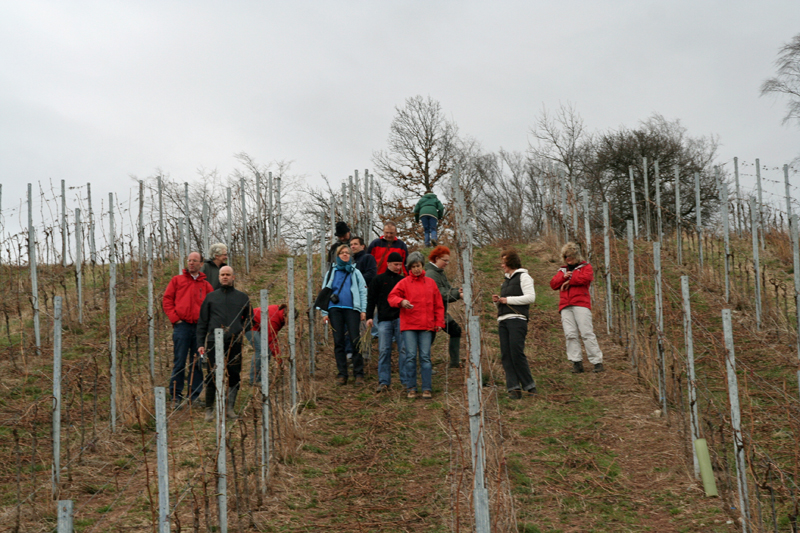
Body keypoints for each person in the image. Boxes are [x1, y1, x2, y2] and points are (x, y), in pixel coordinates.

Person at [197, 266, 253, 421]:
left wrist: (241, 329)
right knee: (211, 374)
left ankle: (230, 409)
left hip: (234, 341)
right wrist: (201, 343)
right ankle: (209, 410)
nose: (225, 277)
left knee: (234, 374)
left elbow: (250, 318)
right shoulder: (211, 297)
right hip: (213, 341)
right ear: (219, 277)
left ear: (233, 277)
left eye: (228, 274)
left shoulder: (242, 297)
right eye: (222, 275)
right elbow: (202, 321)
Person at [388, 251, 444, 400]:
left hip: (426, 326)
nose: (416, 269)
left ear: (422, 266)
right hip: (409, 326)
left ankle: (427, 388)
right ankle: (411, 387)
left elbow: (438, 305)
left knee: (425, 357)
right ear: (409, 268)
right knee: (411, 357)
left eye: (418, 266)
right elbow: (392, 297)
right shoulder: (404, 283)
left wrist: (439, 322)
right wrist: (401, 302)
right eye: (413, 266)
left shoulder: (431, 283)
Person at [162, 252, 214, 410]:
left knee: (197, 362)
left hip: (199, 329)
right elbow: (167, 300)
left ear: (201, 263)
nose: (191, 263)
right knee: (179, 361)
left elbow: (212, 304)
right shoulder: (177, 280)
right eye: (189, 260)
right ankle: (175, 396)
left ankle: (194, 396)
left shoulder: (205, 285)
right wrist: (175, 319)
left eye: (195, 261)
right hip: (182, 326)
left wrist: (207, 324)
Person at [549, 242, 604, 374]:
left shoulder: (585, 267)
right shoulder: (562, 270)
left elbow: (587, 278)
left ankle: (597, 362)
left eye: (571, 256)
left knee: (586, 332)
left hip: (581, 303)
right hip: (565, 306)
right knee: (570, 334)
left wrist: (570, 280)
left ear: (577, 255)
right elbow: (553, 284)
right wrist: (563, 278)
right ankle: (576, 362)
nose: (569, 259)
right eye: (567, 256)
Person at [319, 245, 368, 386]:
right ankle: (342, 374)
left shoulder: (355, 272)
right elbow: (325, 292)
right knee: (338, 341)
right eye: (342, 253)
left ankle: (359, 373)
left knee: (355, 339)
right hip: (334, 310)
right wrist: (325, 312)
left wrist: (363, 310)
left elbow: (362, 291)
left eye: (347, 253)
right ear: (337, 255)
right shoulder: (331, 272)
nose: (345, 255)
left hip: (352, 309)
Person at [492, 249, 538, 399]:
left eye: (504, 262)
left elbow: (530, 297)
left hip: (517, 320)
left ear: (511, 262)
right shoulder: (505, 281)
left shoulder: (524, 277)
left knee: (516, 353)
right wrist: (498, 301)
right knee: (506, 354)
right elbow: (507, 302)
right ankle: (513, 388)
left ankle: (530, 386)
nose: (502, 265)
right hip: (503, 320)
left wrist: (508, 300)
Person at [366, 252, 407, 392]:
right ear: (388, 264)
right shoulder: (378, 280)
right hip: (383, 320)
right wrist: (369, 317)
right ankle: (384, 382)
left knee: (404, 349)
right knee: (384, 350)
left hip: (401, 318)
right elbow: (371, 299)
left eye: (400, 264)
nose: (398, 267)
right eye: (395, 264)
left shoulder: (403, 280)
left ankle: (406, 381)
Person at [425, 246, 463, 369]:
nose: (447, 263)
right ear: (436, 258)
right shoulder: (431, 274)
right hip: (432, 314)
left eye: (448, 261)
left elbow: (448, 289)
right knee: (427, 340)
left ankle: (454, 363)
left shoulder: (439, 273)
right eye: (445, 260)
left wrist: (458, 291)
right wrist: (459, 294)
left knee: (455, 331)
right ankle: (423, 367)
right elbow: (441, 294)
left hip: (441, 312)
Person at [247, 304, 288, 385]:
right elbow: (272, 341)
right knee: (261, 350)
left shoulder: (281, 313)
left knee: (267, 351)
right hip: (249, 325)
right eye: (289, 321)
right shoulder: (274, 319)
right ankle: (254, 379)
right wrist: (280, 361)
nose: (288, 324)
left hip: (258, 325)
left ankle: (262, 377)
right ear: (284, 315)